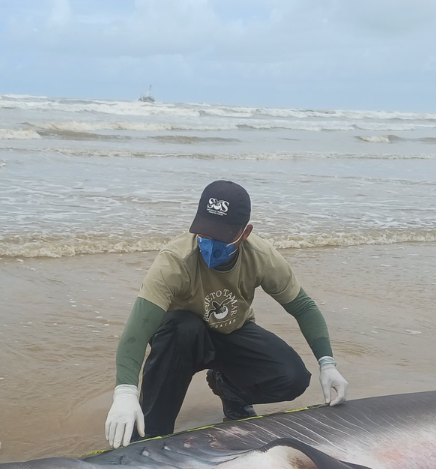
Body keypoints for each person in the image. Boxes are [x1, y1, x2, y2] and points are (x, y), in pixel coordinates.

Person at [104, 180, 349, 448]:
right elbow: (137, 331)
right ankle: (151, 433)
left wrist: (327, 363)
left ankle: (230, 390)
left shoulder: (261, 256)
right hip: (180, 341)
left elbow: (303, 307)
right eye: (205, 233)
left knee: (292, 378)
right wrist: (125, 392)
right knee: (182, 327)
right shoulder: (175, 260)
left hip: (233, 331)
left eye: (222, 236)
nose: (211, 243)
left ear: (245, 232)